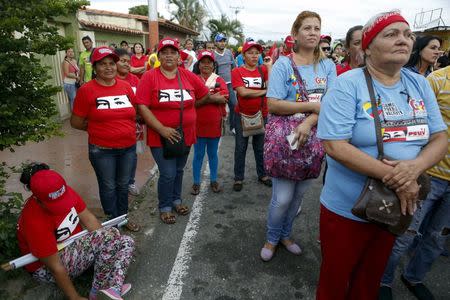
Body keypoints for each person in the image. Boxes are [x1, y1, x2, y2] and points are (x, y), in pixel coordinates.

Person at [316, 10, 447, 299]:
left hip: (397, 207)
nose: (403, 40)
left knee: (369, 280)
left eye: (408, 34)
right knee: (335, 281)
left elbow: (440, 137)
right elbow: (335, 145)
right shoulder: (346, 84)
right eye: (391, 34)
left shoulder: (419, 84)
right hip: (347, 209)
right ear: (368, 46)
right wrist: (399, 178)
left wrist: (414, 169)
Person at [260, 10, 336, 262]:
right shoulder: (283, 64)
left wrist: (309, 121)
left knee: (299, 196)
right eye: (307, 28)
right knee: (282, 198)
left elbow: (330, 103)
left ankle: (286, 234)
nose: (313, 32)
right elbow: (273, 104)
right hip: (286, 139)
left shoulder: (327, 65)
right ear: (295, 34)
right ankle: (272, 238)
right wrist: (311, 108)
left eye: (317, 28)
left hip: (315, 139)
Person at [379, 65, 450, 300]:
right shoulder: (437, 80)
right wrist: (414, 168)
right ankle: (383, 281)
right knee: (404, 234)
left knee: (437, 237)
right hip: (431, 172)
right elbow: (412, 122)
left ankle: (414, 277)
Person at [17, 163, 134, 300]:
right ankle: (97, 292)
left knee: (126, 241)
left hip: (73, 247)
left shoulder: (63, 191)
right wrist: (75, 297)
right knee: (109, 237)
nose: (61, 206)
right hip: (47, 267)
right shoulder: (34, 220)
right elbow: (55, 267)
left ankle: (113, 288)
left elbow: (89, 220)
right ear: (37, 198)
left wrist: (107, 246)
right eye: (54, 204)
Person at [136, 38, 211, 224]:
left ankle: (176, 200)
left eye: (172, 52)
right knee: (168, 172)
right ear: (158, 56)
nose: (169, 55)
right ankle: (165, 206)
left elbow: (204, 94)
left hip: (185, 134)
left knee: (178, 170)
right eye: (164, 52)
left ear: (179, 56)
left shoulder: (187, 76)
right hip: (159, 135)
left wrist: (190, 109)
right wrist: (162, 128)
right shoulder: (149, 77)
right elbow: (142, 107)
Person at [71, 46, 140, 232]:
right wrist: (97, 127)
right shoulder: (87, 90)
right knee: (108, 186)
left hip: (128, 147)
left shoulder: (125, 87)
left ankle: (123, 218)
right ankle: (112, 220)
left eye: (111, 63)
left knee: (123, 185)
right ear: (94, 68)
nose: (108, 68)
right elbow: (76, 122)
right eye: (103, 64)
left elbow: (133, 113)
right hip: (102, 150)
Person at [231, 41, 273, 192]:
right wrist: (264, 91)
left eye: (257, 53)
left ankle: (263, 175)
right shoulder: (237, 72)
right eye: (251, 52)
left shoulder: (263, 70)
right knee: (240, 148)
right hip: (241, 115)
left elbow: (273, 86)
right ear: (243, 55)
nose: (255, 56)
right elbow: (242, 92)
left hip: (262, 114)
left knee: (261, 148)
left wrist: (270, 66)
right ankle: (238, 178)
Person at [191, 50, 229, 195]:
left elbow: (224, 97)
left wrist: (203, 97)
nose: (206, 65)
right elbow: (192, 101)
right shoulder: (194, 79)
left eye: (209, 62)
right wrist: (212, 96)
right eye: (203, 62)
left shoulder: (219, 79)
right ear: (198, 64)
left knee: (213, 154)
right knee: (198, 154)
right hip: (198, 123)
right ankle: (196, 182)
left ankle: (213, 180)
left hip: (214, 122)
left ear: (214, 65)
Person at [114, 48, 141, 197]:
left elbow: (140, 101)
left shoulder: (135, 79)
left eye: (128, 62)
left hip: (133, 124)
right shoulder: (110, 79)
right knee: (115, 155)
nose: (126, 64)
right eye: (123, 61)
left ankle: (130, 181)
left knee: (132, 154)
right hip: (114, 124)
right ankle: (118, 183)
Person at [215, 33, 237, 133]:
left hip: (229, 84)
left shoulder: (228, 53)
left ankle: (232, 127)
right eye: (220, 41)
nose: (222, 43)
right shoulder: (213, 54)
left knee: (234, 104)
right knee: (218, 107)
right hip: (218, 85)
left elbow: (234, 67)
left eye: (224, 41)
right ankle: (217, 127)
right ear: (216, 42)